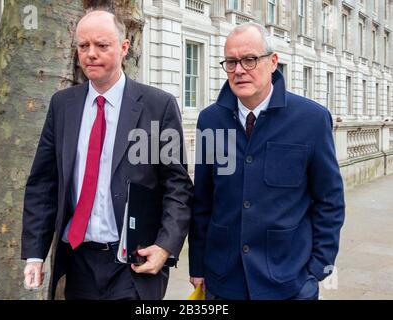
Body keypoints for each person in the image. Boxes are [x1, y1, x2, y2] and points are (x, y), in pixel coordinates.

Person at [21, 10, 193, 300]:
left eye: (102, 45)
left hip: (133, 264)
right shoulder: (63, 105)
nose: (91, 54)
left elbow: (177, 187)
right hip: (77, 263)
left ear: (124, 48)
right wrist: (35, 254)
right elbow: (43, 185)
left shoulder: (158, 106)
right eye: (83, 46)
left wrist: (165, 247)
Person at [188, 22, 345, 300]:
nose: (239, 70)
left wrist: (318, 268)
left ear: (273, 62)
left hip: (290, 282)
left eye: (249, 60)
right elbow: (202, 200)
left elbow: (329, 201)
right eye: (232, 62)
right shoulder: (210, 120)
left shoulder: (312, 119)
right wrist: (198, 264)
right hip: (223, 281)